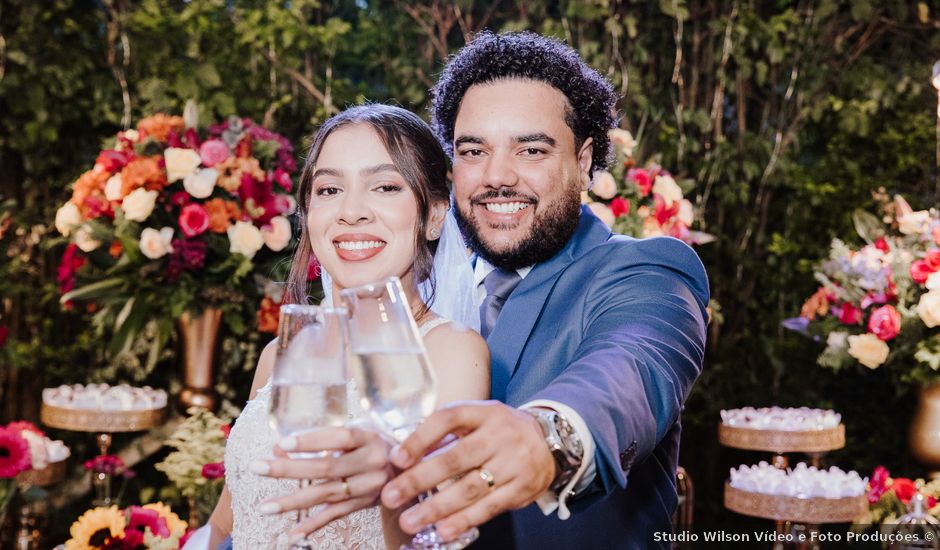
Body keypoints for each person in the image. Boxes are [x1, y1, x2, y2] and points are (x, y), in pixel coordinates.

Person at [373, 31, 710, 549]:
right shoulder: (411, 291)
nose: (497, 177)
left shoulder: (646, 271)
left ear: (582, 161)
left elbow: (629, 369)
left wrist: (547, 437)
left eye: (531, 149)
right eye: (473, 150)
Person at [206, 104, 490, 549]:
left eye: (385, 186)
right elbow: (230, 517)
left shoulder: (451, 352)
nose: (351, 211)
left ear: (434, 216)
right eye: (330, 189)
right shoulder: (284, 352)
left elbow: (435, 535)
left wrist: (393, 478)